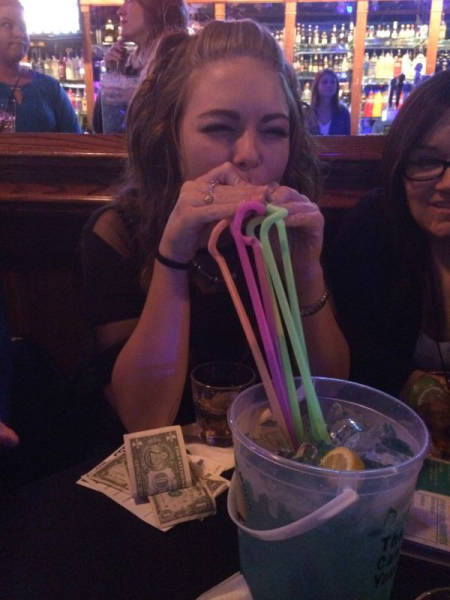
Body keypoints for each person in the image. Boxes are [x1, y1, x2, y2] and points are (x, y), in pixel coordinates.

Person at [81, 19, 349, 436]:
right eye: (219, 128)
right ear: (169, 135)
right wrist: (173, 253)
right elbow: (142, 418)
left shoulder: (290, 228)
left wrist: (306, 269)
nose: (249, 154)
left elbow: (327, 397)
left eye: (274, 131)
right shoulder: (117, 232)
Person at [327, 70, 450, 458]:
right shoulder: (372, 229)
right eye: (427, 161)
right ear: (401, 162)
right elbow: (351, 380)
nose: (447, 183)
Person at [93, 0, 188, 133]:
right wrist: (114, 73)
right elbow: (101, 126)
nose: (120, 11)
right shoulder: (134, 63)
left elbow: (178, 123)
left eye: (130, 1)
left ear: (155, 5)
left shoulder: (179, 56)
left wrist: (138, 98)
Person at [0, 0, 80, 132]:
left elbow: (76, 142)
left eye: (23, 27)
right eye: (7, 24)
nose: (20, 34)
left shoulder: (50, 87)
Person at [306, 69, 350, 136]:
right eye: (324, 82)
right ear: (317, 86)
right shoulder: (307, 112)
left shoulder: (343, 112)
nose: (329, 85)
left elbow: (348, 139)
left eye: (333, 82)